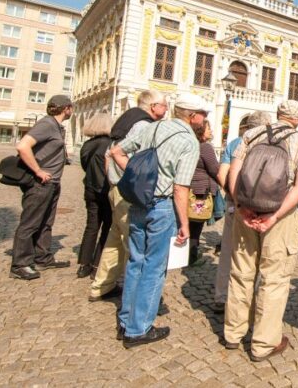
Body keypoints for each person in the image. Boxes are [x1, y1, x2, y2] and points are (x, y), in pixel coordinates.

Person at [109, 93, 204, 348]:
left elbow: (116, 151)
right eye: (202, 114)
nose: (204, 119)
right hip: (162, 205)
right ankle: (139, 329)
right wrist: (184, 223)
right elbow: (180, 188)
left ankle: (126, 320)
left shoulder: (152, 127)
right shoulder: (188, 141)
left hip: (139, 201)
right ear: (193, 116)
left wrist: (137, 175)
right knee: (154, 267)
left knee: (136, 261)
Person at [223, 100, 298, 361]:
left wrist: (240, 206)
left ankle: (233, 333)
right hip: (280, 214)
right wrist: (274, 216)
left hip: (246, 210)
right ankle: (263, 343)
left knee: (241, 272)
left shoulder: (252, 134)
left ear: (278, 115)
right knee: (274, 279)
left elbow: (235, 171)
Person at [89, 91, 167, 301]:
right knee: (134, 245)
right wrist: (135, 178)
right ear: (153, 106)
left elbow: (108, 154)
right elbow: (119, 154)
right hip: (129, 191)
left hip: (117, 187)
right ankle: (138, 299)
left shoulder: (126, 121)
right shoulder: (143, 126)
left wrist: (112, 180)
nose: (167, 109)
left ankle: (101, 286)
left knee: (115, 240)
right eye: (164, 105)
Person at [9, 95, 74, 280]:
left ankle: (42, 258)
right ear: (66, 108)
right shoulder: (46, 124)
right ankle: (20, 264)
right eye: (71, 108)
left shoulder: (55, 126)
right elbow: (22, 146)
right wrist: (38, 170)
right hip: (40, 184)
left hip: (52, 183)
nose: (71, 111)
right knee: (30, 223)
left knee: (46, 222)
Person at [212, 110, 271, 312]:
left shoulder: (235, 143)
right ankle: (248, 300)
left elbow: (222, 174)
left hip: (234, 204)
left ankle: (221, 296)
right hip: (261, 206)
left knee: (228, 249)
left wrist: (233, 197)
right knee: (254, 254)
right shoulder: (268, 144)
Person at [77, 112, 113, 279]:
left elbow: (85, 166)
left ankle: (83, 265)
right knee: (107, 226)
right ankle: (97, 263)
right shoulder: (111, 144)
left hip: (90, 188)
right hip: (105, 190)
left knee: (91, 226)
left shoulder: (86, 145)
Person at [188, 119, 220, 266]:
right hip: (200, 192)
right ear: (201, 131)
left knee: (189, 223)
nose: (211, 131)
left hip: (190, 189)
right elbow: (215, 169)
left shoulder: (189, 144)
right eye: (208, 128)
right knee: (195, 224)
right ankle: (191, 256)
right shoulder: (205, 147)